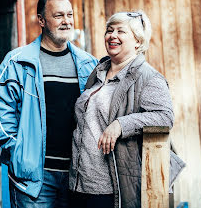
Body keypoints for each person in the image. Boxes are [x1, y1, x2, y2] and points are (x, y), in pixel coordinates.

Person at [0, 0, 98, 207]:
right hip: (34, 179)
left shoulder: (89, 64)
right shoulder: (18, 62)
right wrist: (17, 151)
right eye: (58, 16)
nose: (66, 21)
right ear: (41, 20)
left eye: (69, 15)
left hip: (77, 177)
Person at [69, 11, 185, 208]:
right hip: (79, 184)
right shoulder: (98, 72)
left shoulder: (148, 78)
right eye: (109, 30)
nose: (112, 35)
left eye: (121, 31)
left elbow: (164, 117)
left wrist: (121, 125)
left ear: (138, 41)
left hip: (110, 188)